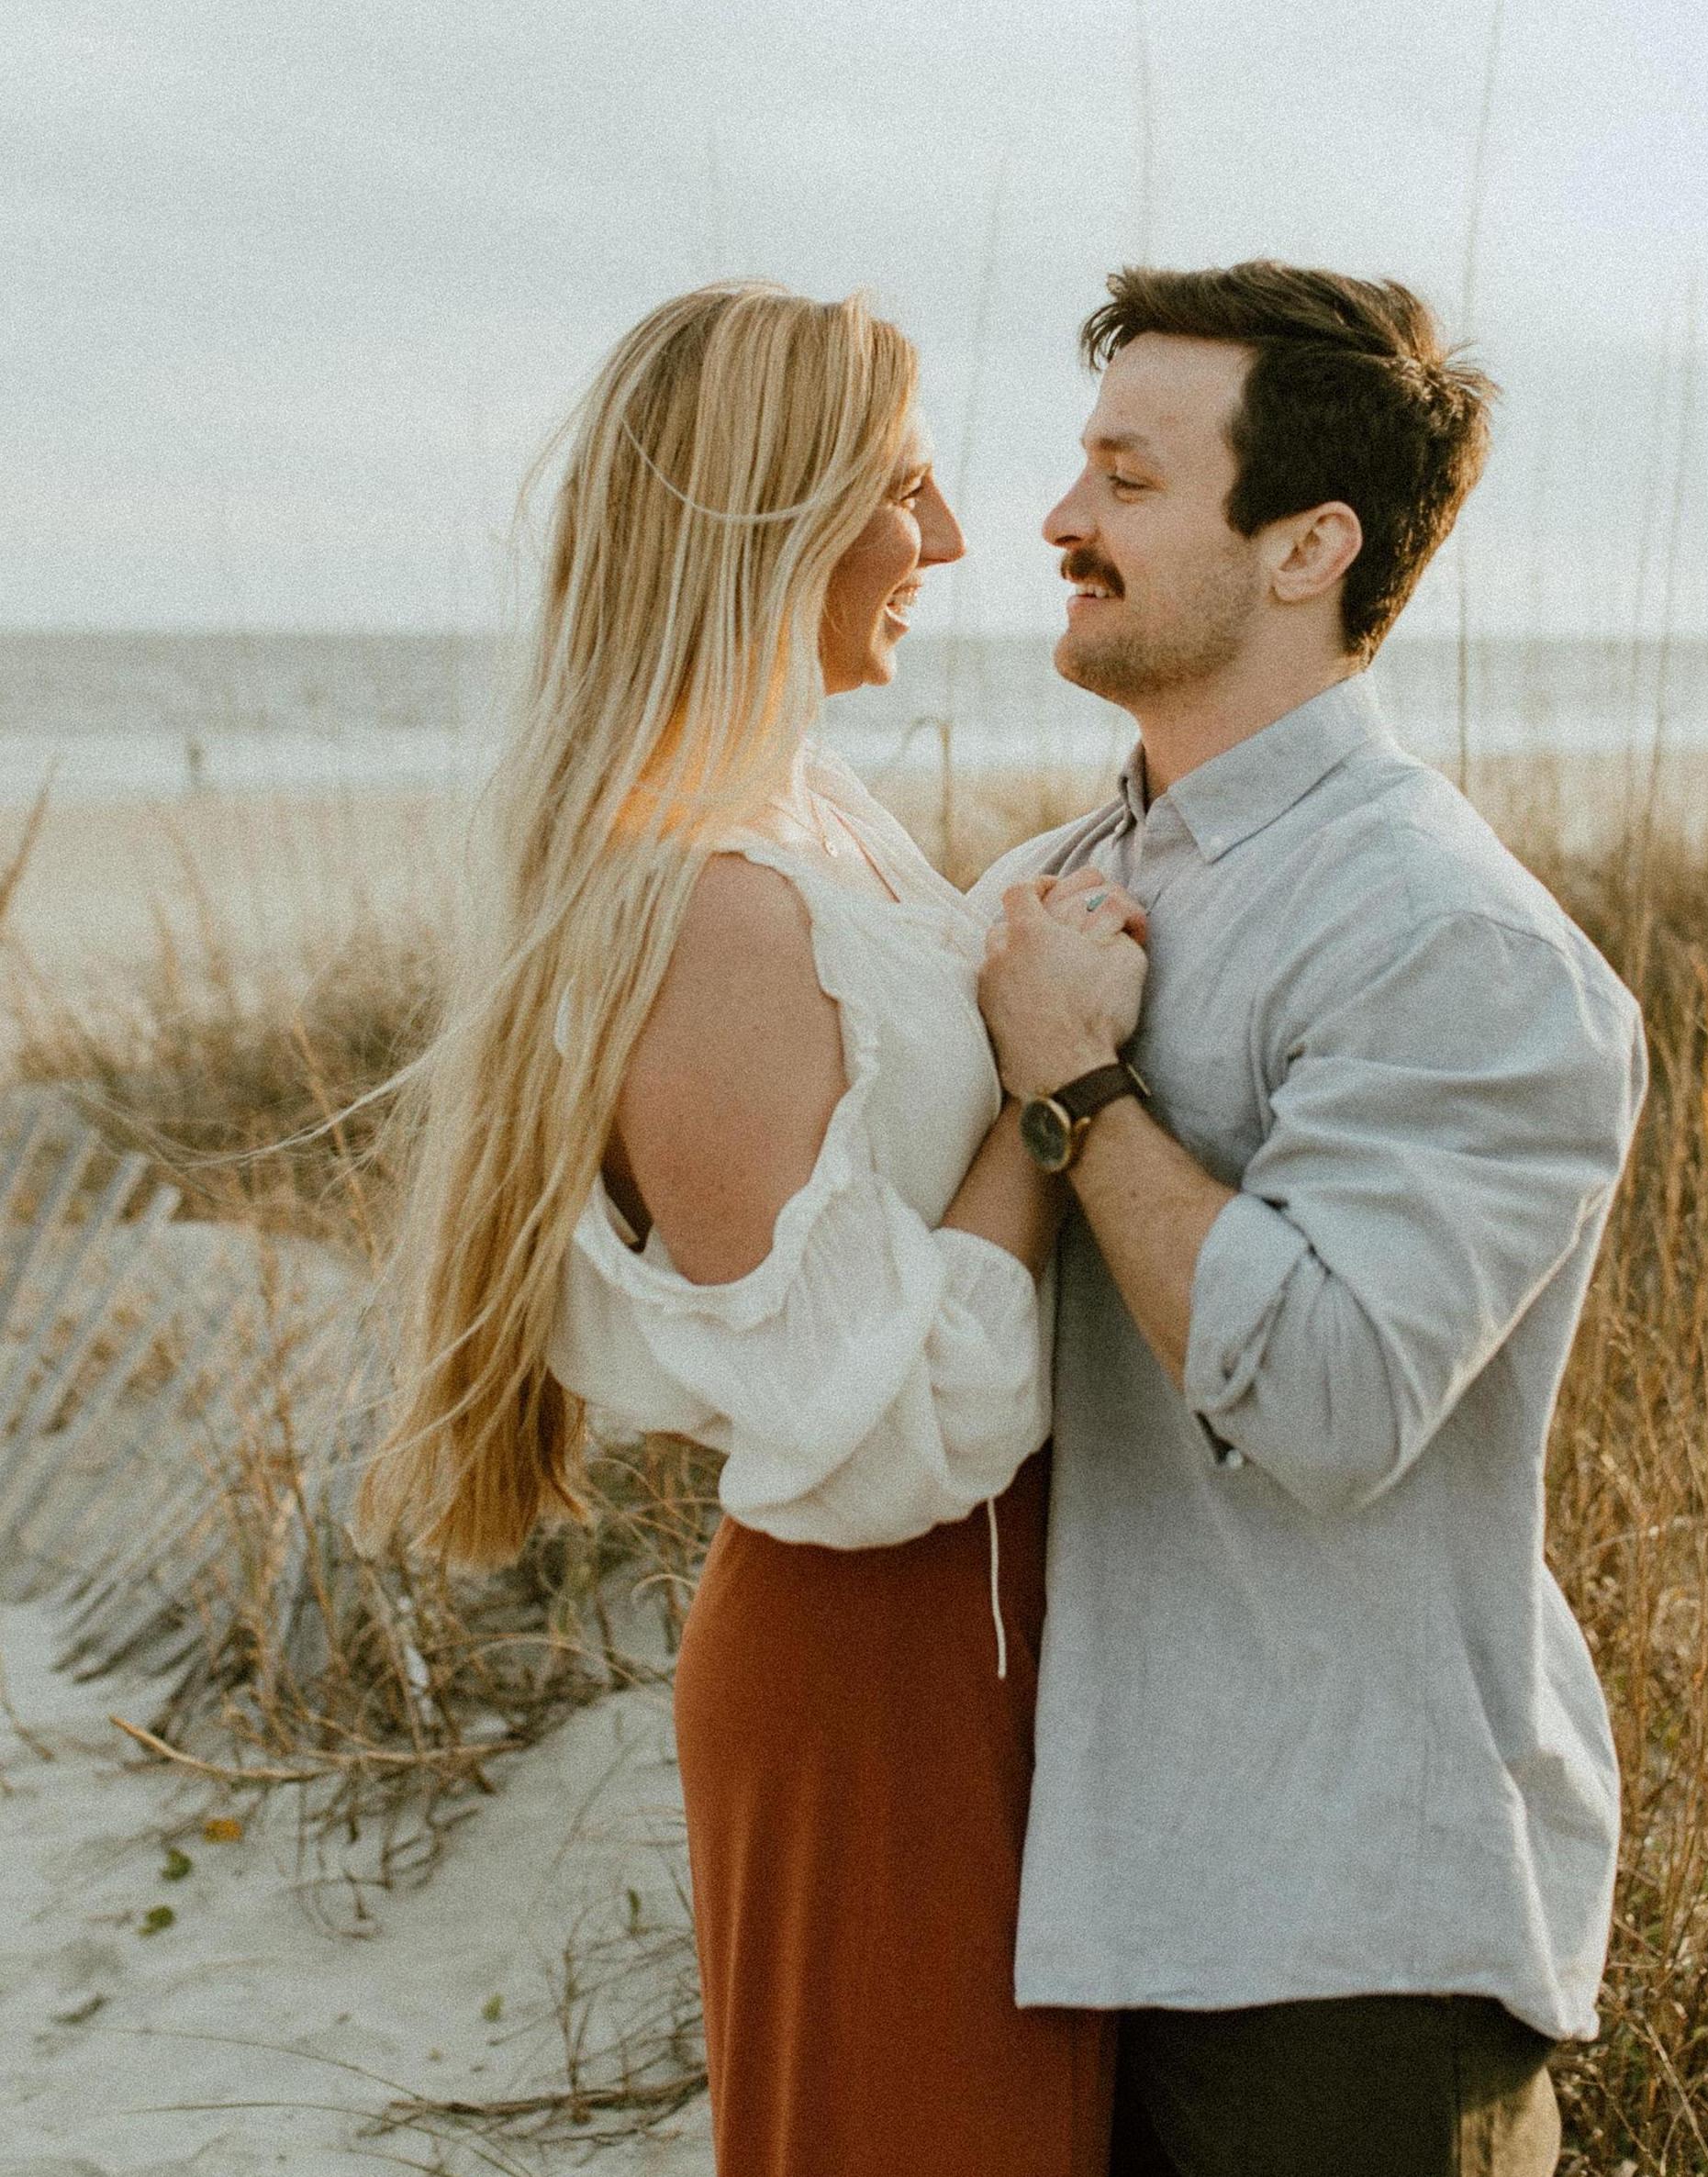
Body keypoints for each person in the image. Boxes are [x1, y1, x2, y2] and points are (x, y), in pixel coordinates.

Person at [356, 280, 1140, 2177]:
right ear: (768, 519)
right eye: (906, 488)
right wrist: (1055, 1098)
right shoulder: (703, 906)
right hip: (879, 1666)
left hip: (990, 1643)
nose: (952, 540)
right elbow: (874, 1446)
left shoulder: (810, 811)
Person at [971, 262, 1648, 2177]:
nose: (1060, 521)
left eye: (1128, 477)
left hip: (1339, 1930)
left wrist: (1081, 1097)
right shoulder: (1055, 881)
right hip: (1101, 1882)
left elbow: (1335, 1399)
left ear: (1307, 546)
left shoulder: (1448, 937)